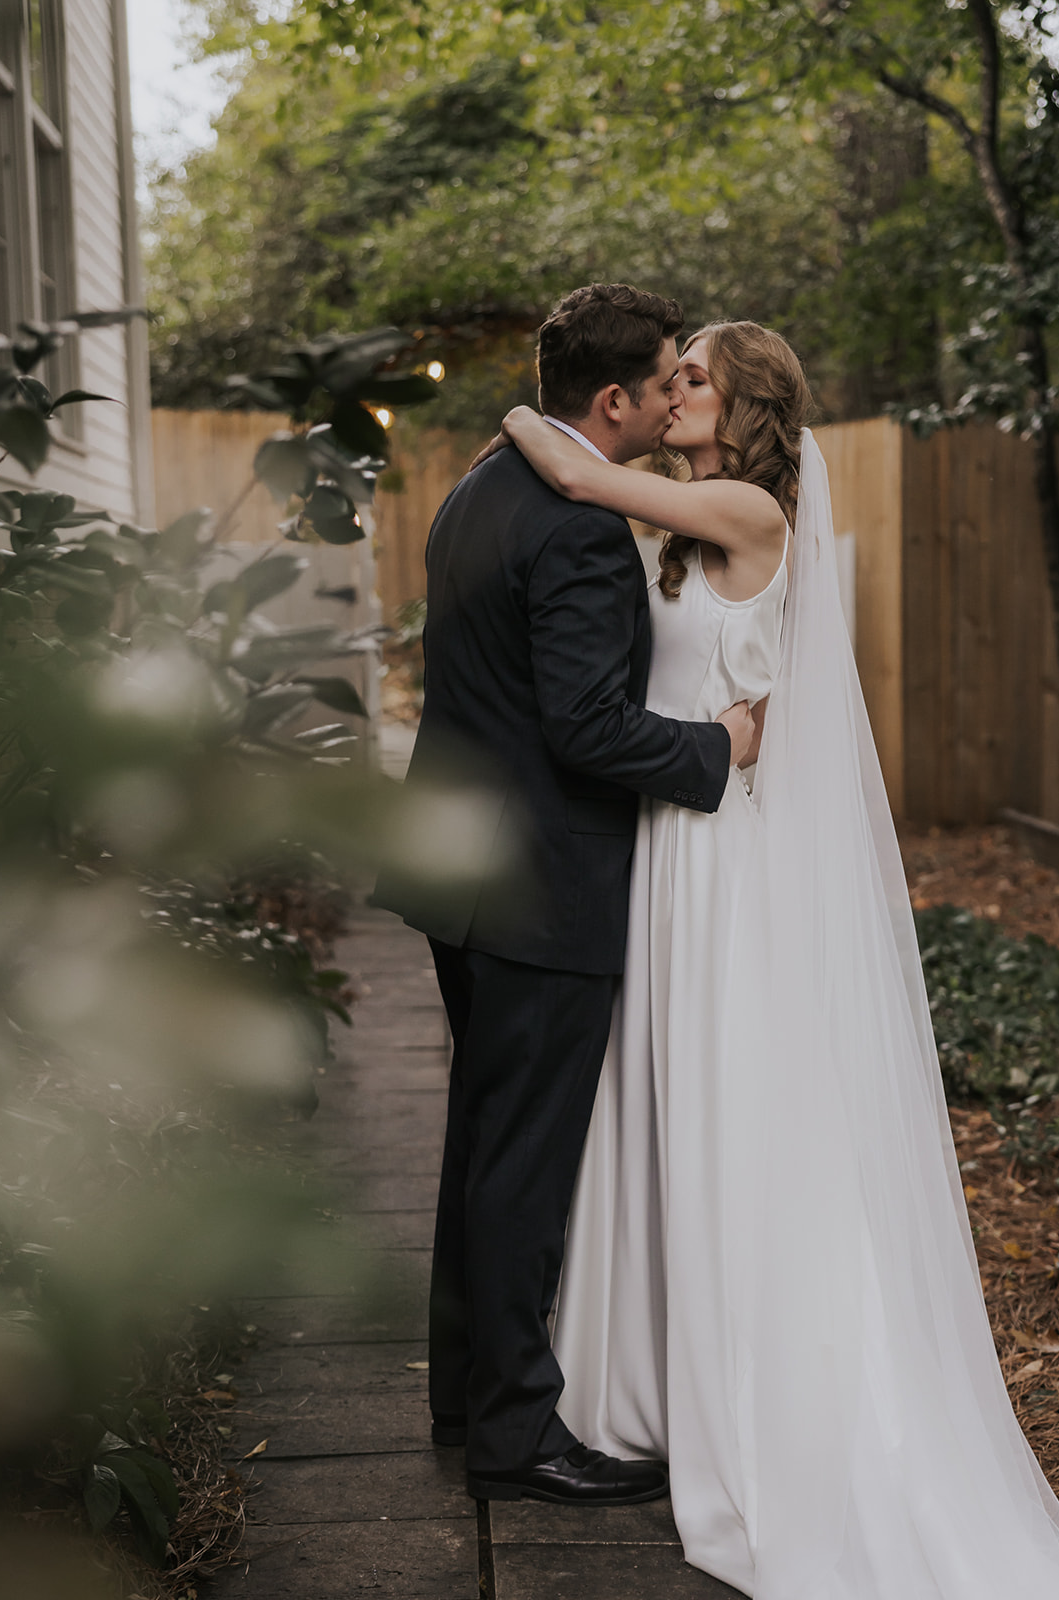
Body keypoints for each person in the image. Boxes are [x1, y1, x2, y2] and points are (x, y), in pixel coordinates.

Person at [486, 320, 1059, 1597]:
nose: (671, 388)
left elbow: (575, 473)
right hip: (667, 850)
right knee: (659, 1105)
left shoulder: (746, 507)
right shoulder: (687, 518)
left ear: (744, 404)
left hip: (724, 863)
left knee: (734, 1111)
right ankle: (652, 1378)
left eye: (692, 375)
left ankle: (776, 1402)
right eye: (672, 370)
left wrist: (526, 416)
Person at [372, 284, 755, 1506]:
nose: (667, 400)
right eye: (658, 384)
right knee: (524, 1163)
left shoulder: (477, 489)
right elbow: (586, 728)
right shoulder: (582, 528)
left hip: (460, 868)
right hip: (542, 886)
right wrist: (715, 754)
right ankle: (516, 1436)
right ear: (612, 401)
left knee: (480, 1142)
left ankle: (462, 1394)